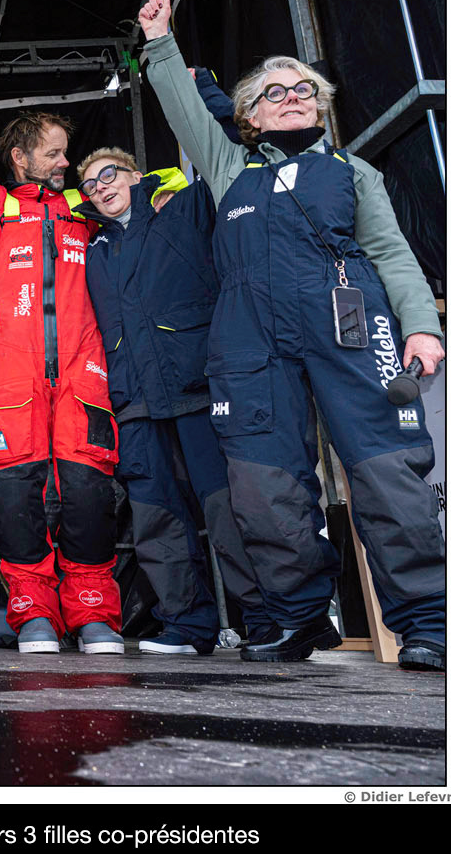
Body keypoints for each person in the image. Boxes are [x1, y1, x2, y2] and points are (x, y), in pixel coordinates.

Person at [138, 0, 445, 671]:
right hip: (248, 339)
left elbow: (393, 254)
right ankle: (299, 616)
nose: (292, 97)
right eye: (273, 92)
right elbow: (186, 111)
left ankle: (429, 621)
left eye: (304, 89)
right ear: (249, 117)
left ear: (320, 104)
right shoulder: (229, 170)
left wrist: (422, 329)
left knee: (388, 473)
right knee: (263, 485)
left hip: (351, 328)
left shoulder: (354, 172)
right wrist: (160, 42)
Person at [0, 39, 123, 655]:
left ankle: (93, 612)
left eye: (66, 152)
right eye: (54, 153)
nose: (66, 162)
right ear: (21, 158)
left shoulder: (85, 211)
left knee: (88, 492)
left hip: (83, 373)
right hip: (12, 377)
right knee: (14, 496)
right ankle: (33, 611)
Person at [76, 147, 274, 654]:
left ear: (137, 175)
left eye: (109, 174)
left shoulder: (182, 209)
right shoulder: (93, 250)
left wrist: (174, 179)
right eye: (90, 184)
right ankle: (187, 625)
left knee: (228, 509)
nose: (100, 187)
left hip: (195, 388)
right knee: (155, 518)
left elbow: (218, 154)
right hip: (134, 402)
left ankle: (264, 619)